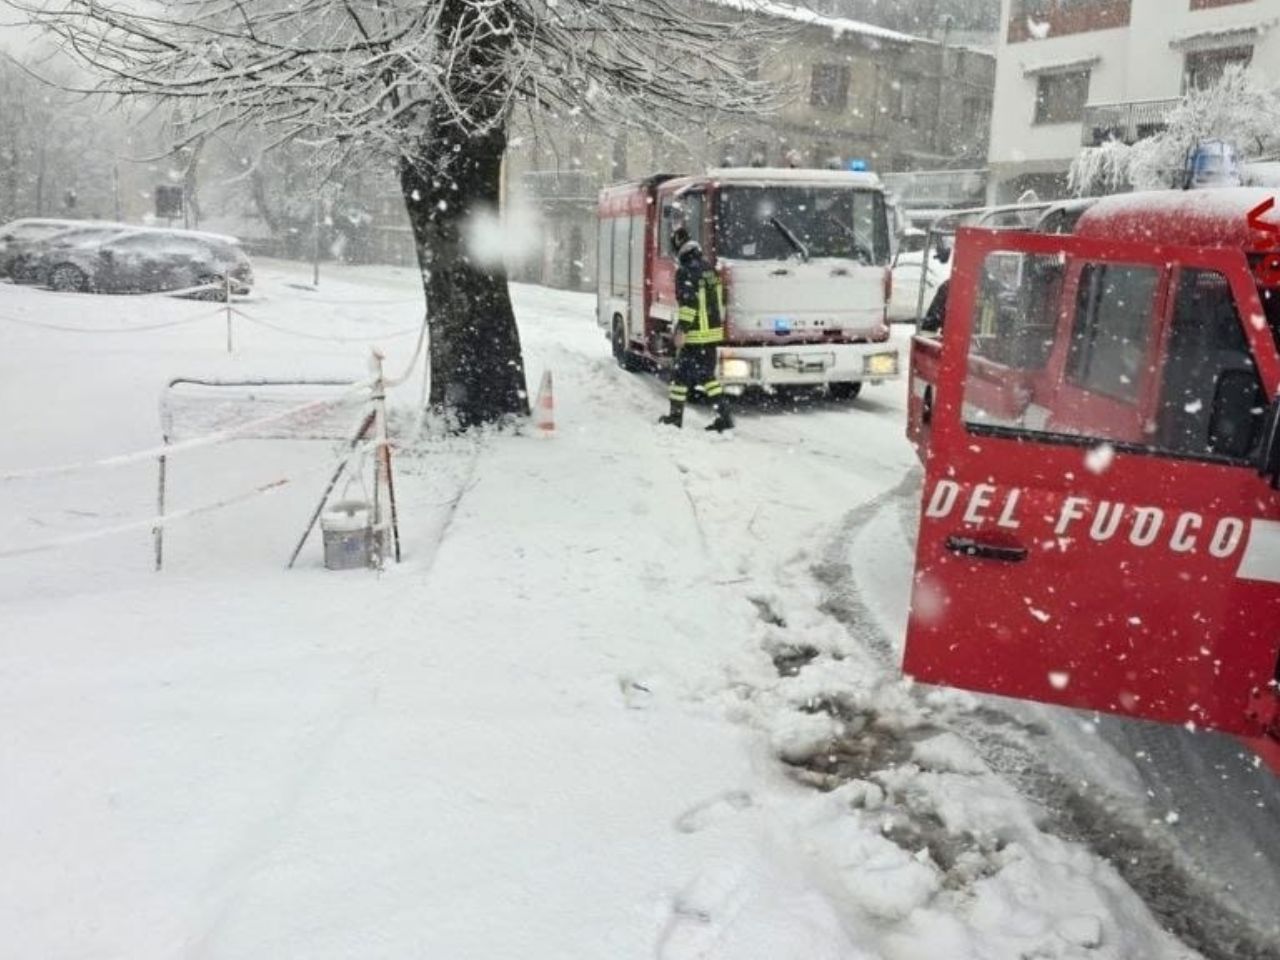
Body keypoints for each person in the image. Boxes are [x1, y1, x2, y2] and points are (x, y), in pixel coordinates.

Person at [659, 226, 734, 432]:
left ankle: (675, 418)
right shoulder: (708, 268)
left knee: (679, 378)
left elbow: (689, 304)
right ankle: (724, 417)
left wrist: (681, 330)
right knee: (708, 378)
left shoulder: (685, 271)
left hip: (696, 335)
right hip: (711, 334)